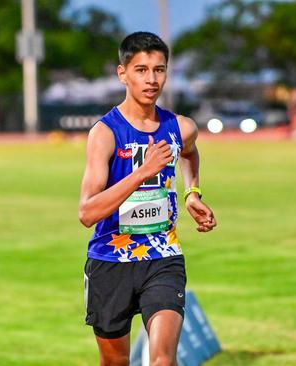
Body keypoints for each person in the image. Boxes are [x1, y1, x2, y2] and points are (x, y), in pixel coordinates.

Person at [78, 32, 216, 366]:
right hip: (111, 261)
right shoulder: (105, 133)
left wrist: (192, 192)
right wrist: (142, 171)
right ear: (122, 73)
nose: (152, 79)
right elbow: (87, 212)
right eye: (141, 70)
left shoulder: (179, 127)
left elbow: (190, 152)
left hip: (163, 256)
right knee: (115, 363)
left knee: (163, 361)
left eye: (159, 69)